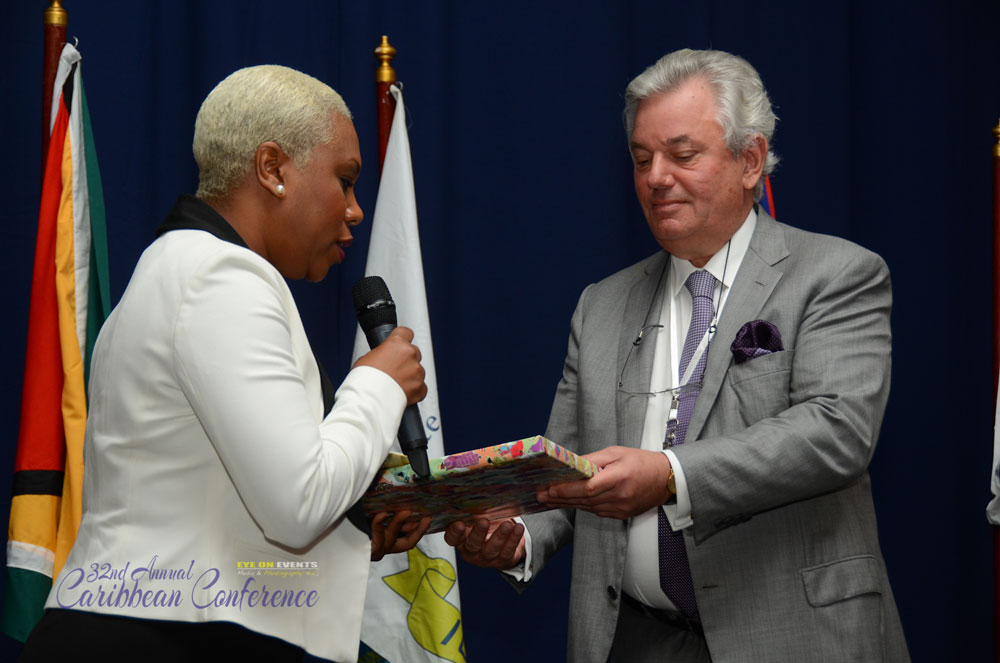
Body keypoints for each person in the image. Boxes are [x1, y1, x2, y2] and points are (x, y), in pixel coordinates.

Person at [446, 49, 909, 662]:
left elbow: (836, 432)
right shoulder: (601, 304)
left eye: (682, 155)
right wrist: (519, 535)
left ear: (750, 160)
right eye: (642, 159)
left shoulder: (837, 273)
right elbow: (570, 470)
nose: (656, 177)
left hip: (791, 638)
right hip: (632, 640)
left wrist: (670, 475)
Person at [20, 65, 430, 663]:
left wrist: (353, 526)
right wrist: (377, 381)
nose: (355, 210)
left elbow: (213, 512)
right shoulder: (220, 277)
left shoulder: (180, 266)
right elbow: (296, 506)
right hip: (145, 641)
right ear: (272, 169)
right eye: (344, 181)